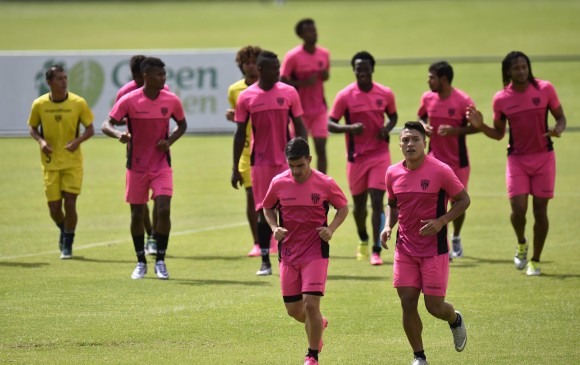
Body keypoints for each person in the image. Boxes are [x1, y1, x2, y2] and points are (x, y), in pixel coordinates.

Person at [466, 51, 567, 276]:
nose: (521, 71)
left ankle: (536, 260)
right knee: (518, 210)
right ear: (508, 71)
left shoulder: (545, 89)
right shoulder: (501, 99)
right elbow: (499, 134)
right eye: (516, 68)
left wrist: (557, 129)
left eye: (524, 67)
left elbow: (561, 117)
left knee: (540, 211)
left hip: (544, 158)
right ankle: (521, 242)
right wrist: (480, 126)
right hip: (517, 160)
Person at [381, 121, 469, 365]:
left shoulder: (440, 170)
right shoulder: (392, 173)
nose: (410, 144)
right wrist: (389, 226)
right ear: (399, 144)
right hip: (405, 249)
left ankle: (455, 319)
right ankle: (419, 357)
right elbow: (393, 203)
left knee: (434, 307)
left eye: (415, 140)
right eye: (406, 140)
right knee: (407, 303)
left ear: (425, 143)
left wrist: (442, 221)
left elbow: (463, 200)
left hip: (434, 250)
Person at [263, 137, 349, 365]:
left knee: (311, 304)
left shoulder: (325, 183)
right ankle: (319, 324)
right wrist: (274, 228)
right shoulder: (279, 182)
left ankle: (312, 355)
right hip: (289, 253)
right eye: (291, 166)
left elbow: (343, 207)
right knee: (294, 310)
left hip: (315, 252)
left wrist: (331, 229)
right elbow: (267, 207)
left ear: (309, 160)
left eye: (300, 165)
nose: (296, 171)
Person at [102, 57, 187, 280]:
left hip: (161, 165)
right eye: (159, 75)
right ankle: (140, 261)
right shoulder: (129, 100)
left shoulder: (171, 100)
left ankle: (160, 260)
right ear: (146, 76)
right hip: (136, 166)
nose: (164, 78)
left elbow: (182, 124)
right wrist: (119, 134)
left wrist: (169, 141)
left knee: (164, 209)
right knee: (137, 214)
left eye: (164, 74)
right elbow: (106, 124)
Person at [232, 50, 307, 276]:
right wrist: (235, 167)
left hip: (287, 163)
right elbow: (238, 134)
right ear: (261, 69)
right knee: (263, 210)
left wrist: (305, 154)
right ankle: (265, 259)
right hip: (260, 162)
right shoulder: (246, 97)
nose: (278, 72)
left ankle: (290, 256)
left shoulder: (289, 92)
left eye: (279, 68)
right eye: (274, 69)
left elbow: (300, 125)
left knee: (290, 209)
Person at [328, 51, 397, 266]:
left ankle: (377, 249)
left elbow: (393, 115)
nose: (362, 73)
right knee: (358, 206)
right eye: (358, 69)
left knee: (377, 201)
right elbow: (330, 123)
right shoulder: (345, 95)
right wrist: (349, 128)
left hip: (379, 155)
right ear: (354, 70)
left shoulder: (385, 93)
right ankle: (363, 239)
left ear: (372, 69)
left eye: (366, 69)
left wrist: (387, 127)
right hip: (356, 158)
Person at [28, 64, 95, 259]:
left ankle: (68, 243)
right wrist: (41, 141)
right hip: (50, 163)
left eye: (65, 78)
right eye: (59, 78)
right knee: (54, 209)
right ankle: (63, 228)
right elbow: (32, 127)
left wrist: (77, 142)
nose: (64, 81)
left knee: (71, 203)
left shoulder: (78, 103)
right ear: (49, 82)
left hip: (73, 162)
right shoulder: (39, 105)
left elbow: (90, 129)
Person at [417, 61, 479, 259]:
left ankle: (456, 236)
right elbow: (421, 118)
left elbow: (477, 126)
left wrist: (454, 131)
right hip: (434, 160)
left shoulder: (462, 100)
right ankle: (441, 242)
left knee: (458, 201)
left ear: (443, 79)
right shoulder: (427, 98)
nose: (428, 81)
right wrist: (423, 126)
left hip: (457, 162)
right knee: (435, 202)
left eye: (431, 77)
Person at [115, 55, 169, 257]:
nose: (139, 82)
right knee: (140, 201)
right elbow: (117, 117)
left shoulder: (165, 91)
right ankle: (149, 234)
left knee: (160, 198)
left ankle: (155, 235)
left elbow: (169, 113)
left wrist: (168, 140)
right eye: (136, 77)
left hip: (158, 151)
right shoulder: (126, 92)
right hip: (135, 151)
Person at [226, 46, 263, 257]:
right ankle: (257, 242)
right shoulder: (234, 90)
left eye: (254, 61)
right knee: (251, 196)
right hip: (247, 152)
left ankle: (274, 236)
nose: (250, 66)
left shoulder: (271, 88)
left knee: (276, 197)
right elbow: (240, 122)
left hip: (270, 150)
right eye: (246, 62)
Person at [280, 18, 330, 173]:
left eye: (314, 30)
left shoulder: (324, 53)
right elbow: (282, 80)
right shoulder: (293, 56)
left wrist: (325, 75)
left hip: (319, 109)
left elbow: (325, 76)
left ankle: (322, 182)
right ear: (301, 35)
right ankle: (304, 179)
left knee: (321, 148)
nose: (313, 33)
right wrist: (303, 83)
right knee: (302, 149)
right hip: (299, 112)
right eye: (309, 31)